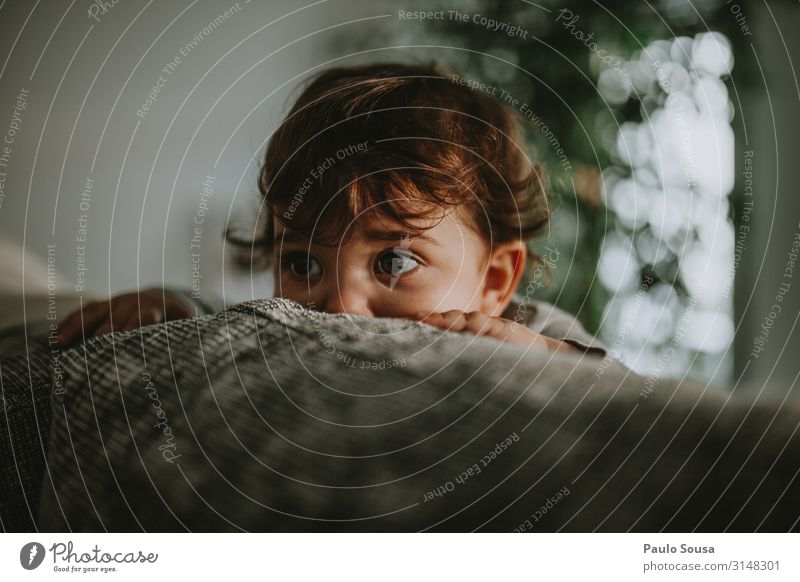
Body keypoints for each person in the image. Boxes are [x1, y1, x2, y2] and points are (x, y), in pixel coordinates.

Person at [58, 62, 604, 356]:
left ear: (495, 279)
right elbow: (223, 312)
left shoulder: (532, 330)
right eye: (303, 263)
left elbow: (617, 390)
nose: (339, 304)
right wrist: (166, 302)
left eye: (393, 261)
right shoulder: (288, 330)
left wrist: (549, 359)